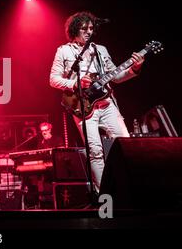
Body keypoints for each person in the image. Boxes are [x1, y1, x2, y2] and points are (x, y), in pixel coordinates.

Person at [49, 11, 144, 192]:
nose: (88, 32)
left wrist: (134, 68)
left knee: (125, 145)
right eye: (84, 28)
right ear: (74, 30)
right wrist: (76, 83)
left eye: (91, 28)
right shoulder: (64, 51)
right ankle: (104, 195)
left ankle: (129, 191)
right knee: (95, 152)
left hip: (106, 103)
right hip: (82, 106)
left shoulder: (101, 50)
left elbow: (115, 76)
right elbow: (53, 79)